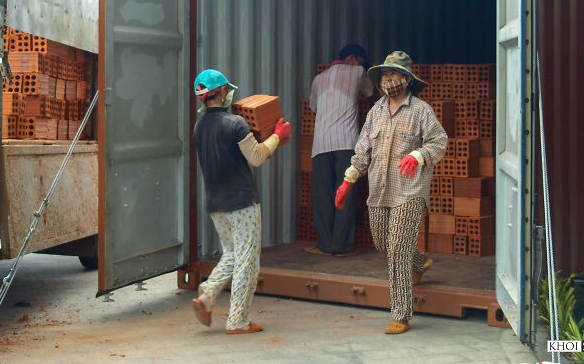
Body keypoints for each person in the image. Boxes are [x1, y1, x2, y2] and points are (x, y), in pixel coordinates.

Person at [335, 51, 447, 334]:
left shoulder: (421, 111)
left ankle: (401, 313)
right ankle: (420, 262)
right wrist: (348, 181)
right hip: (379, 190)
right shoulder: (376, 112)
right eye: (384, 75)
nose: (388, 79)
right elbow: (362, 151)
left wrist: (419, 156)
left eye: (393, 74)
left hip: (409, 191)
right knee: (383, 243)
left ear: (407, 80)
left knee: (397, 250)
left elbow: (439, 141)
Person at [191, 69, 291, 334]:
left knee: (233, 254)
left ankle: (206, 296)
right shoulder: (235, 124)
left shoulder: (199, 127)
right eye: (227, 89)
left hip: (215, 203)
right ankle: (238, 320)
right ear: (222, 92)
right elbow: (257, 156)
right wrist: (278, 135)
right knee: (248, 261)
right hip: (242, 202)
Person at [306, 44, 374, 257]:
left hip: (321, 144)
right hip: (346, 142)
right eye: (361, 61)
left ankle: (325, 244)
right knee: (344, 193)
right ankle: (342, 245)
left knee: (323, 195)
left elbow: (313, 106)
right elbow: (369, 92)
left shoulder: (319, 79)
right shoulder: (358, 72)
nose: (361, 65)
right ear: (353, 58)